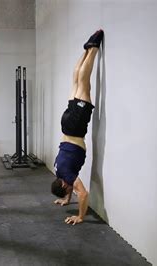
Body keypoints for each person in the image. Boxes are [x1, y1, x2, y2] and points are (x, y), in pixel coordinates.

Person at [51, 29, 104, 225]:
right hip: (66, 125)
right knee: (76, 83)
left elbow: (83, 194)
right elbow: (70, 186)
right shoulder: (59, 172)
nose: (70, 189)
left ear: (64, 184)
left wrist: (80, 216)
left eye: (67, 190)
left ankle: (93, 48)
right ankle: (85, 50)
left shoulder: (67, 176)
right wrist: (66, 199)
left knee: (83, 81)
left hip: (75, 127)